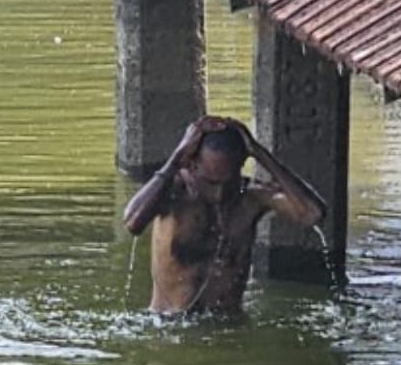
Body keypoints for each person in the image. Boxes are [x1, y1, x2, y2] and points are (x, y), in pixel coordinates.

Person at [122, 115, 326, 314]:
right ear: (191, 165)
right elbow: (132, 223)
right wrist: (176, 157)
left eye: (229, 182)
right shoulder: (171, 192)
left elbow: (312, 214)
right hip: (169, 327)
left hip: (227, 327)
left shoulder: (251, 197)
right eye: (211, 183)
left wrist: (259, 153)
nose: (219, 193)